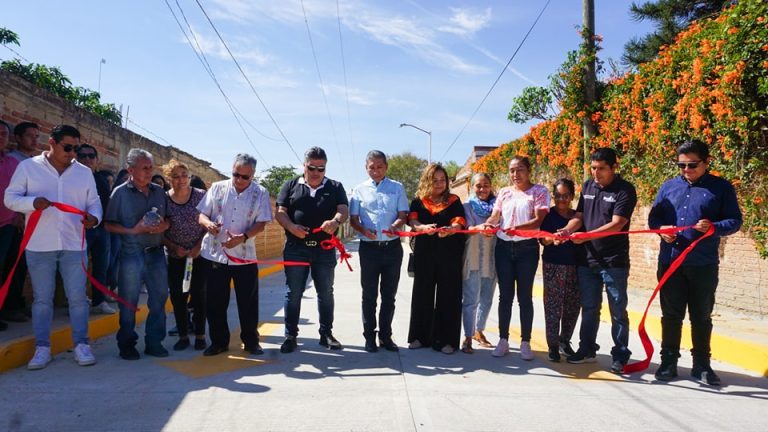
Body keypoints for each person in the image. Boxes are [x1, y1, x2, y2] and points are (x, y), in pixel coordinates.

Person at [4, 124, 102, 369]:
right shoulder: (28, 167)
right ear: (52, 143)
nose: (72, 153)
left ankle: (81, 344)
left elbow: (94, 202)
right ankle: (42, 348)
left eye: (76, 148)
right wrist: (31, 202)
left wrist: (94, 218)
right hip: (39, 244)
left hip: (73, 243)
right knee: (42, 300)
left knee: (78, 299)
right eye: (67, 147)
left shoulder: (83, 173)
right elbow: (10, 198)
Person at [649, 139, 742, 386]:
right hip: (670, 262)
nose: (686, 170)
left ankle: (701, 365)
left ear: (706, 162)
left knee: (701, 316)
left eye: (692, 165)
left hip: (703, 264)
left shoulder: (721, 188)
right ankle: (668, 362)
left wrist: (714, 227)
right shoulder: (668, 187)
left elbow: (734, 221)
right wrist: (661, 230)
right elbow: (654, 217)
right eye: (681, 165)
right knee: (671, 315)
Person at [559, 147, 637, 374]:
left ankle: (620, 355)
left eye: (601, 169)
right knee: (590, 308)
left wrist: (586, 236)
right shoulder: (588, 186)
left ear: (614, 167)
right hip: (587, 260)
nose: (596, 173)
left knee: (618, 310)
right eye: (593, 168)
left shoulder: (625, 190)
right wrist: (566, 230)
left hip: (614, 261)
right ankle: (587, 349)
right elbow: (580, 216)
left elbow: (618, 223)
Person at [196, 154, 272, 356]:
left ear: (253, 175)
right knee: (215, 302)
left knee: (248, 302)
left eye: (244, 177)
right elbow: (202, 214)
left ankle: (251, 341)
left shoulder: (260, 193)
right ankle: (219, 342)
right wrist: (208, 224)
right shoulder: (218, 188)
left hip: (244, 256)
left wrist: (243, 237)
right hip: (215, 254)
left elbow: (262, 222)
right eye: (235, 174)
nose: (239, 180)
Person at [275, 147, 348, 353]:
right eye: (311, 167)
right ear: (304, 165)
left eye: (321, 168)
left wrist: (335, 222)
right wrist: (291, 227)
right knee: (294, 293)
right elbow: (280, 212)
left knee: (325, 293)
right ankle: (290, 336)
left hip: (324, 250)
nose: (316, 172)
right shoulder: (290, 185)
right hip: (295, 248)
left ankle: (326, 334)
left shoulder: (335, 186)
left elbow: (343, 209)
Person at [104, 148, 170, 360]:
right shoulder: (120, 193)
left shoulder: (159, 192)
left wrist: (163, 227)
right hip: (131, 253)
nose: (149, 172)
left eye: (151, 167)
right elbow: (108, 225)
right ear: (130, 169)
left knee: (159, 299)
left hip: (157, 253)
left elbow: (168, 220)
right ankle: (126, 343)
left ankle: (154, 342)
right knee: (129, 301)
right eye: (145, 168)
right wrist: (133, 230)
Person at [485, 156, 549, 360]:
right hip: (503, 247)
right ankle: (503, 340)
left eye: (520, 170)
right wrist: (489, 224)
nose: (515, 174)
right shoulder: (504, 192)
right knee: (505, 296)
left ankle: (525, 342)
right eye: (512, 170)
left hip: (527, 249)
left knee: (524, 297)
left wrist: (517, 229)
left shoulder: (539, 192)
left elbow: (538, 219)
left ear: (529, 170)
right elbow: (496, 216)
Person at [349, 150, 409, 352]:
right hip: (369, 249)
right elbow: (353, 220)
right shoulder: (358, 190)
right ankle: (369, 337)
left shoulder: (397, 188)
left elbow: (403, 215)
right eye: (371, 167)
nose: (375, 171)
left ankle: (386, 336)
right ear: (366, 168)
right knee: (369, 295)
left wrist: (396, 225)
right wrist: (363, 230)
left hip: (392, 249)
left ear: (386, 167)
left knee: (389, 295)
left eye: (379, 167)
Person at [407, 163, 466, 354]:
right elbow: (413, 221)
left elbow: (459, 221)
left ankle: (447, 340)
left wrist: (452, 230)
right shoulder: (418, 201)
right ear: (427, 180)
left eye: (443, 180)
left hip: (449, 253)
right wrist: (422, 228)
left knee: (449, 295)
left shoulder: (454, 200)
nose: (440, 184)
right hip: (425, 252)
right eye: (435, 180)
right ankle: (419, 336)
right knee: (422, 293)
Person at [162, 160, 207, 351]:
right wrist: (173, 247)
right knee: (178, 297)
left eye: (184, 175)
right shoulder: (163, 199)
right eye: (176, 176)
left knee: (199, 296)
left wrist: (198, 246)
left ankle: (200, 335)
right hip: (176, 256)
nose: (181, 180)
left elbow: (210, 224)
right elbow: (159, 228)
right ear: (169, 178)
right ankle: (182, 335)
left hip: (199, 255)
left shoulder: (200, 196)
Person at [539, 178, 582, 362]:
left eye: (565, 196)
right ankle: (553, 346)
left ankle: (565, 341)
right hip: (553, 265)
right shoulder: (548, 215)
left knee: (572, 307)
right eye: (557, 195)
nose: (561, 199)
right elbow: (542, 238)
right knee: (553, 307)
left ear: (572, 196)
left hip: (575, 266)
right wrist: (551, 239)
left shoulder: (577, 217)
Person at [76, 144, 116, 315]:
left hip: (102, 230)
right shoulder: (71, 179)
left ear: (96, 159)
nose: (87, 159)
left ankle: (99, 301)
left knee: (101, 266)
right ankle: (78, 301)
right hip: (81, 229)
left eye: (91, 156)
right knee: (78, 267)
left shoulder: (99, 179)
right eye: (82, 156)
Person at [460, 173, 497, 354]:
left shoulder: (498, 206)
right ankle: (467, 336)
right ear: (472, 187)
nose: (482, 189)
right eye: (478, 186)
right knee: (471, 298)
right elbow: (467, 227)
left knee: (487, 298)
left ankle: (479, 331)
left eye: (486, 185)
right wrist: (481, 228)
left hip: (491, 257)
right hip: (473, 255)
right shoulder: (467, 205)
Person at [0, 119, 21, 331]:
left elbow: (21, 193)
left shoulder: (13, 163)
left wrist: (18, 215)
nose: (1, 138)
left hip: (7, 225)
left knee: (5, 269)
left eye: (4, 134)